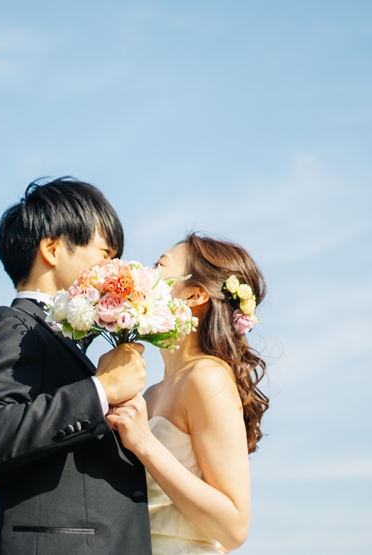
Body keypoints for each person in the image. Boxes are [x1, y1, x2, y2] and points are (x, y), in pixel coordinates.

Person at [0, 177, 152, 555]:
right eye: (105, 253)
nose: (115, 269)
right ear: (52, 248)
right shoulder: (10, 326)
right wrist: (100, 390)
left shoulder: (72, 346)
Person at [107, 233, 269, 554]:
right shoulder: (151, 394)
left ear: (194, 295)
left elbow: (234, 528)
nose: (145, 274)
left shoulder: (206, 377)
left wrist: (145, 444)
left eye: (159, 266)